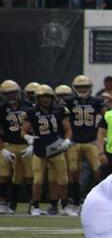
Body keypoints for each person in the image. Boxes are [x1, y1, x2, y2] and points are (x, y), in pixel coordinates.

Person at [22, 85, 73, 216]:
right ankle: (35, 206)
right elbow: (23, 130)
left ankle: (65, 205)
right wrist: (27, 137)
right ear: (37, 98)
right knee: (38, 180)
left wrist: (67, 140)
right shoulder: (31, 111)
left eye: (47, 97)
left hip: (56, 147)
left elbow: (67, 129)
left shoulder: (60, 110)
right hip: (39, 148)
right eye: (42, 97)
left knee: (63, 179)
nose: (45, 100)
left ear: (52, 98)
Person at [63, 75, 106, 214]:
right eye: (80, 87)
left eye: (85, 87)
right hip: (74, 141)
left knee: (99, 171)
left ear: (90, 88)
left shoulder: (97, 101)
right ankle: (75, 203)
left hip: (92, 141)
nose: (82, 89)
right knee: (73, 172)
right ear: (75, 88)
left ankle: (100, 201)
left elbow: (106, 119)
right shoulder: (68, 101)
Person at [1, 80, 32, 214]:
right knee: (4, 175)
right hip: (9, 144)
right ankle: (3, 202)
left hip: (25, 144)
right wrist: (2, 149)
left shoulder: (28, 106)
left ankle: (33, 203)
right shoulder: (1, 108)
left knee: (29, 176)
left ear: (18, 92)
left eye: (13, 92)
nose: (11, 96)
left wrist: (32, 145)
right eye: (8, 94)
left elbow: (36, 128)